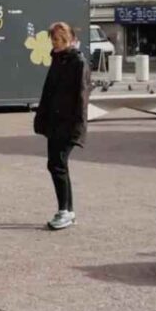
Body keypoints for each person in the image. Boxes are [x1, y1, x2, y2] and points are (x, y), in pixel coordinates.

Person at [34, 22, 91, 230]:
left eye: (58, 39)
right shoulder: (59, 59)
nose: (55, 43)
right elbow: (50, 91)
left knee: (57, 164)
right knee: (57, 164)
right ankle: (67, 210)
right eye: (53, 39)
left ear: (67, 39)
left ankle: (65, 211)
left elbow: (82, 97)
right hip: (55, 122)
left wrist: (77, 127)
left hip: (67, 123)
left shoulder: (77, 62)